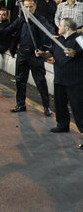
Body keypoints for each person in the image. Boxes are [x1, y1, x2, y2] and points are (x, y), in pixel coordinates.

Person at [0, 0, 54, 115]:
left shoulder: (41, 20)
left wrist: (45, 50)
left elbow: (50, 32)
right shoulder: (20, 20)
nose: (28, 9)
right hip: (22, 53)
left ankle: (46, 107)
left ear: (35, 7)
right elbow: (8, 30)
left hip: (36, 55)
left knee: (40, 81)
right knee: (20, 80)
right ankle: (20, 104)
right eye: (26, 7)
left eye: (31, 7)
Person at [35, 18, 83, 148]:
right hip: (60, 78)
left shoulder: (79, 38)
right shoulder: (59, 39)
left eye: (60, 25)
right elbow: (51, 53)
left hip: (75, 80)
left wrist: (76, 53)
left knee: (78, 108)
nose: (58, 27)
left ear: (67, 28)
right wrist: (43, 54)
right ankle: (62, 125)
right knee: (59, 103)